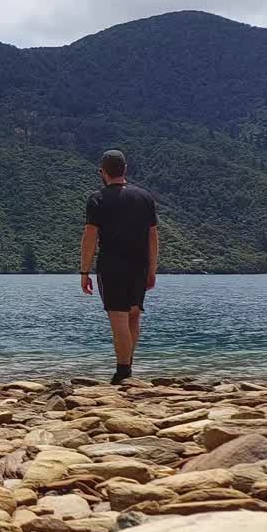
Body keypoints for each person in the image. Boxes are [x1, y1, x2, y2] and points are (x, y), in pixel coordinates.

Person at [79, 149, 158, 384]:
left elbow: (90, 237)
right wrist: (152, 269)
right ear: (125, 169)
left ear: (103, 172)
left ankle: (123, 372)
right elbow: (152, 237)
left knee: (119, 320)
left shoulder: (97, 199)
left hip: (112, 266)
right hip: (140, 265)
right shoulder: (145, 197)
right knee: (133, 316)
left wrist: (84, 271)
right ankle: (128, 367)